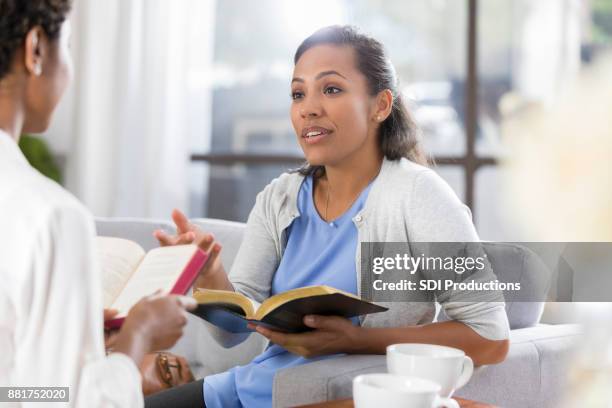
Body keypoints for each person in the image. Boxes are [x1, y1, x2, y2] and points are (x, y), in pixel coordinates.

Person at [149, 25, 510, 407]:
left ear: (381, 106)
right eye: (298, 93)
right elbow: (234, 332)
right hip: (239, 393)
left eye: (332, 89)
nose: (309, 108)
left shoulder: (417, 195)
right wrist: (208, 274)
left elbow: (490, 337)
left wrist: (357, 340)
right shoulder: (279, 198)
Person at [0, 1, 202, 406]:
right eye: (69, 45)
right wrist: (135, 341)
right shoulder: (49, 215)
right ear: (35, 48)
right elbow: (56, 400)